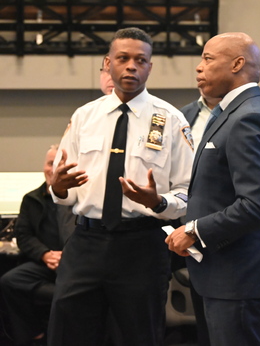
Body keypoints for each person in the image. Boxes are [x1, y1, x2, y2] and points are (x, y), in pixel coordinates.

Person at [48, 27, 194, 346]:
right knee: (67, 333)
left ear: (150, 67)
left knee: (140, 336)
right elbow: (64, 191)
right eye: (123, 58)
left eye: (140, 60)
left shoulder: (170, 120)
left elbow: (187, 192)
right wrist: (57, 187)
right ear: (107, 63)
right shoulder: (84, 116)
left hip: (141, 246)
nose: (131, 66)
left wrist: (158, 202)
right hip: (85, 242)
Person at [165, 32, 260, 346]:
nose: (198, 67)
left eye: (208, 59)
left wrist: (194, 230)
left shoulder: (250, 117)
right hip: (219, 273)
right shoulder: (231, 113)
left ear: (237, 64)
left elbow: (258, 202)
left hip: (238, 277)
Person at [0, 145, 74, 346]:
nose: (54, 169)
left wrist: (66, 257)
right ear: (44, 166)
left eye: (60, 164)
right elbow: (23, 236)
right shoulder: (31, 199)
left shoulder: (81, 200)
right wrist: (45, 255)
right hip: (45, 264)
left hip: (75, 265)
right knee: (9, 281)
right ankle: (33, 336)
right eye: (50, 163)